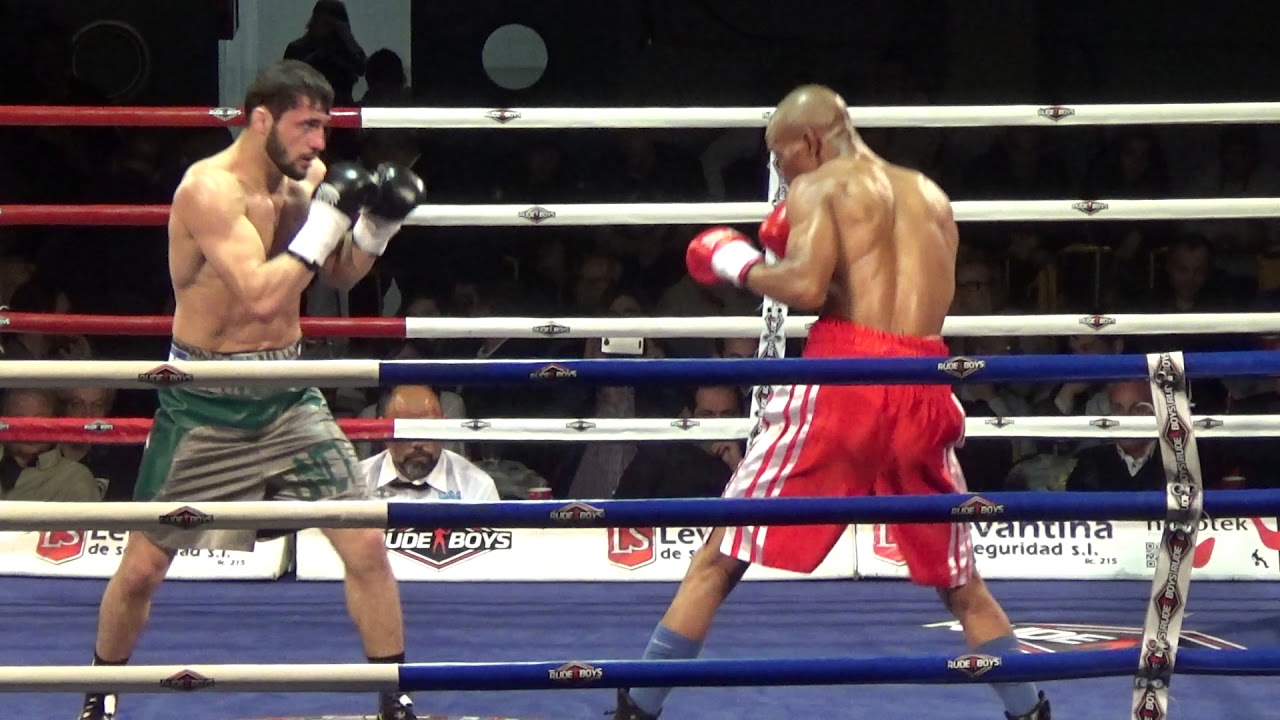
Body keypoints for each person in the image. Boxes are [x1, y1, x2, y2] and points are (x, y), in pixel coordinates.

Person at [613, 85, 1051, 720]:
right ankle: (1031, 710)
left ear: (811, 142)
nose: (781, 171)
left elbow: (805, 286)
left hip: (846, 377)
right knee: (960, 580)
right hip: (924, 380)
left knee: (720, 555)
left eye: (780, 157)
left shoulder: (821, 185)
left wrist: (734, 261)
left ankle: (636, 708)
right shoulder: (930, 195)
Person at [76, 60, 425, 720]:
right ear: (261, 119)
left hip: (288, 391)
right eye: (307, 126)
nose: (319, 143)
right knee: (145, 567)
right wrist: (327, 223)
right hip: (204, 400)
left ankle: (393, 697)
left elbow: (339, 274)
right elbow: (261, 294)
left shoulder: (309, 181)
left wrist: (377, 226)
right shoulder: (208, 191)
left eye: (324, 128)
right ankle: (99, 691)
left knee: (365, 544)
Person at [360, 385, 501, 502]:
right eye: (406, 430)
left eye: (427, 429)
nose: (418, 443)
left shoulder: (477, 486)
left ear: (444, 427)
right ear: (383, 431)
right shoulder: (358, 483)